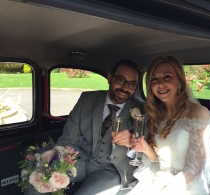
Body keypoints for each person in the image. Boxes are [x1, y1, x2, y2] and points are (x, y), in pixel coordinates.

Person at [25, 59, 144, 195]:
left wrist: (132, 143)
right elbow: (68, 139)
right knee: (36, 185)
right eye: (121, 80)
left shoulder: (141, 111)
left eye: (132, 84)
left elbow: (143, 152)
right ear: (110, 78)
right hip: (79, 159)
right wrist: (59, 163)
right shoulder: (87, 99)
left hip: (111, 170)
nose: (125, 88)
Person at [128, 56, 210, 195]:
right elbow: (159, 159)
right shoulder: (155, 115)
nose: (161, 84)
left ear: (179, 80)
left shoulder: (198, 113)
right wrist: (144, 148)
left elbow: (195, 168)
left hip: (187, 185)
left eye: (167, 77)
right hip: (158, 180)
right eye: (154, 79)